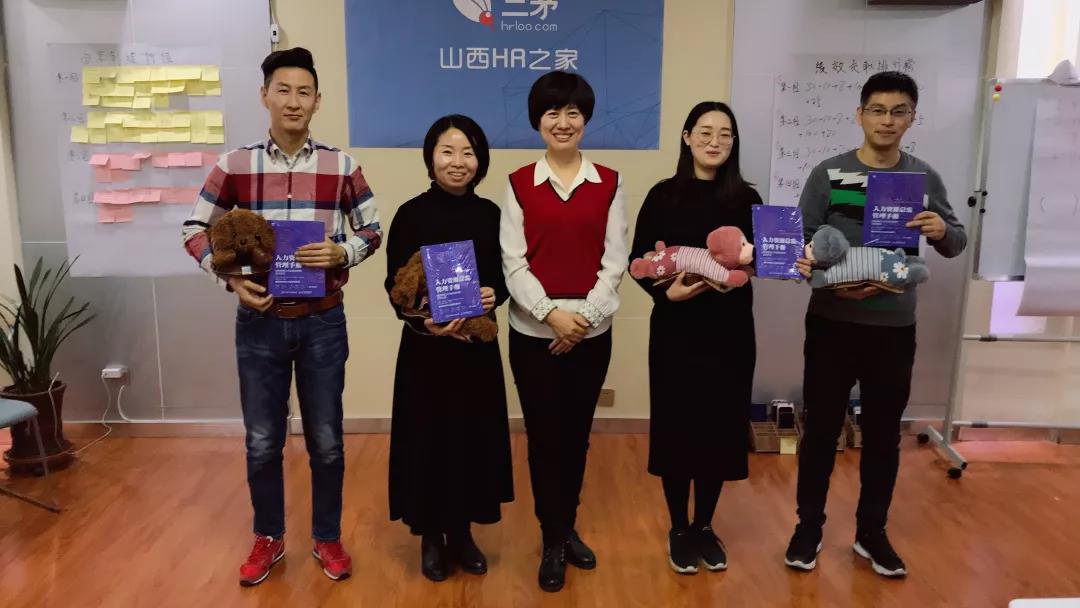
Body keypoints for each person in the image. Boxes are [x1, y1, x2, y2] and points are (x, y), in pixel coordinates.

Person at [181, 47, 382, 587]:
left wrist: (343, 252)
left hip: (323, 322)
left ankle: (327, 536)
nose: (294, 101)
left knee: (327, 439)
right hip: (260, 323)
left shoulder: (341, 166)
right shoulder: (234, 165)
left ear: (318, 101)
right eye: (283, 90)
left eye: (304, 92)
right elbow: (193, 228)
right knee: (262, 440)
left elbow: (372, 229)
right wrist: (228, 277)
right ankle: (268, 536)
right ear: (265, 95)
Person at [784, 71, 967, 578]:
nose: (887, 121)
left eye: (898, 111)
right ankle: (808, 528)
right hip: (832, 323)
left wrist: (940, 228)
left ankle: (871, 532)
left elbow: (956, 242)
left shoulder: (922, 178)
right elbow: (800, 246)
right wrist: (825, 279)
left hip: (893, 327)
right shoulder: (828, 173)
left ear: (912, 118)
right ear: (860, 114)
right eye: (878, 110)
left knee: (883, 436)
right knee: (821, 431)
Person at [499, 71, 628, 593]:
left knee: (575, 437)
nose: (563, 122)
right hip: (533, 334)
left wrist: (585, 320)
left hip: (591, 336)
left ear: (586, 120)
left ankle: (566, 526)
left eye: (573, 112)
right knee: (543, 437)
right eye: (552, 112)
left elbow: (615, 260)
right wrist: (551, 315)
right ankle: (550, 538)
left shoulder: (610, 182)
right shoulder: (518, 184)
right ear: (538, 121)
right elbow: (513, 261)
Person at [629, 101, 760, 575]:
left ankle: (705, 524)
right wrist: (667, 294)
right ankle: (678, 527)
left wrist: (759, 265)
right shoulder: (662, 195)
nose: (714, 141)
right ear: (687, 137)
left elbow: (760, 259)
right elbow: (639, 260)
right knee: (677, 427)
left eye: (725, 134)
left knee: (719, 427)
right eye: (705, 132)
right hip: (676, 329)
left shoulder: (747, 198)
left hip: (730, 331)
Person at [383, 114, 513, 582]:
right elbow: (394, 285)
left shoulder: (492, 215)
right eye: (448, 151)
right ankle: (431, 537)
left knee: (470, 441)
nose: (458, 162)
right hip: (426, 353)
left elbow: (507, 276)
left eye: (468, 152)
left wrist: (494, 294)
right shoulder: (410, 214)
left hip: (475, 352)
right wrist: (424, 321)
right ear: (431, 158)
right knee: (428, 441)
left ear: (480, 161)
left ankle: (462, 534)